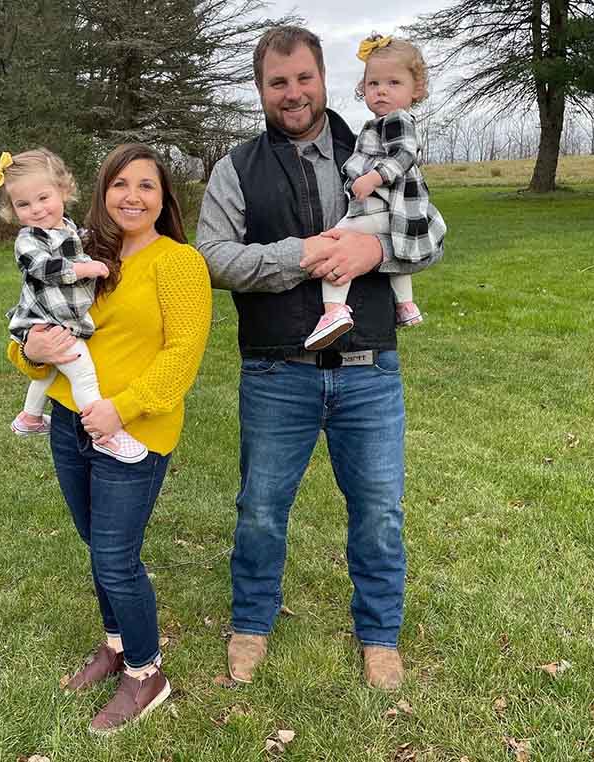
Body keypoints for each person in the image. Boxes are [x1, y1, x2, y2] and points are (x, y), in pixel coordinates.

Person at [196, 26, 443, 690]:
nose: (293, 93)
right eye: (278, 82)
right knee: (260, 508)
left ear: (323, 78)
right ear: (261, 89)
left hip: (370, 371)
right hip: (278, 372)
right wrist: (300, 255)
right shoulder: (236, 167)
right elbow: (215, 258)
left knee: (380, 511)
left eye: (303, 78)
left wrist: (376, 253)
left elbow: (431, 235)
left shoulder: (374, 145)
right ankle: (250, 623)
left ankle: (380, 636)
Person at [9, 143, 212, 732]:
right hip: (69, 420)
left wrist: (122, 410)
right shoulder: (79, 251)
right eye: (120, 184)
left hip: (133, 429)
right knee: (96, 547)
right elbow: (36, 321)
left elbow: (182, 356)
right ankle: (117, 644)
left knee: (117, 558)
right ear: (100, 194)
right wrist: (27, 350)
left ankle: (147, 674)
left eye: (146, 185)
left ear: (163, 197)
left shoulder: (178, 262)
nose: (131, 196)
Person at [0, 147, 147, 463]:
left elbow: (84, 240)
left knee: (50, 371)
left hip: (58, 317)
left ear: (63, 191)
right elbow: (45, 268)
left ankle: (29, 418)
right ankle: (104, 434)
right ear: (13, 210)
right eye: (23, 204)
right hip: (45, 320)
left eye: (43, 198)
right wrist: (85, 269)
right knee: (82, 372)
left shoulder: (66, 227)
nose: (37, 209)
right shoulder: (28, 240)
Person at [304, 33, 446, 350]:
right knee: (397, 248)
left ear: (416, 89)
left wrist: (374, 178)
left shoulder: (396, 120)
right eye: (373, 84)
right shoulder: (381, 122)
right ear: (363, 88)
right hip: (396, 211)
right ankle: (406, 306)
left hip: (383, 206)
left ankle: (334, 311)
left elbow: (404, 155)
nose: (382, 90)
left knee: (335, 243)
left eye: (394, 83)